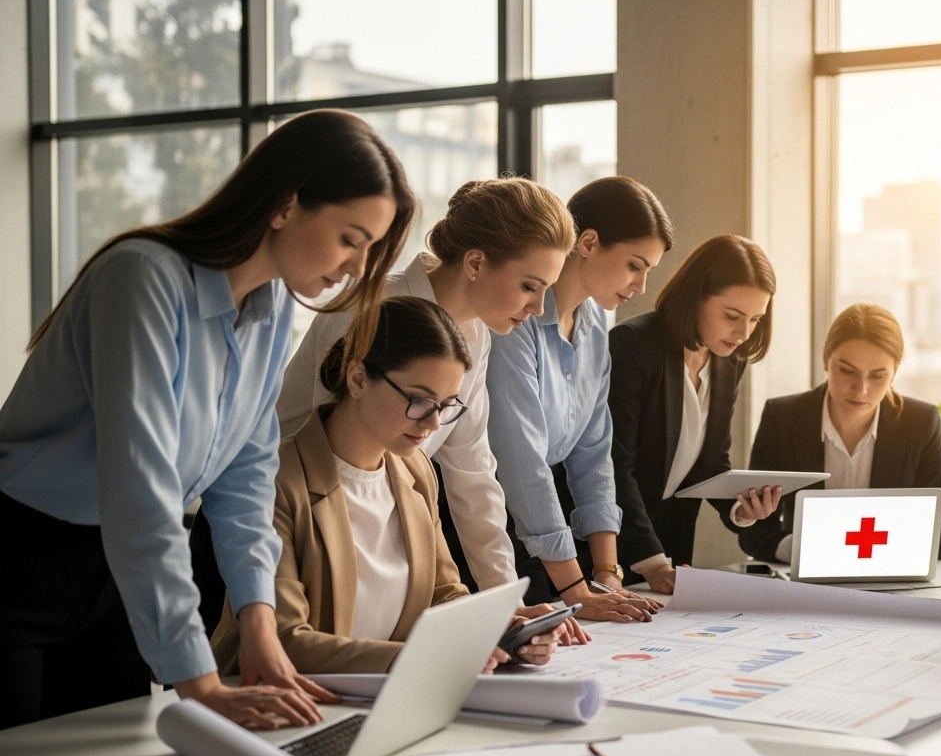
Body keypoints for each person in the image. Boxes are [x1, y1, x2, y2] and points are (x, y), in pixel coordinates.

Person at [0, 109, 415, 730]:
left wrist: (259, 623)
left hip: (121, 573)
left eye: (371, 249)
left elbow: (246, 475)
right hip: (22, 558)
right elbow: (141, 489)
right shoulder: (142, 276)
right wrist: (199, 684)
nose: (357, 267)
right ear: (284, 204)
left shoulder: (272, 306)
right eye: (351, 238)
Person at [273, 177, 585, 642]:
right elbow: (338, 458)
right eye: (529, 286)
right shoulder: (370, 309)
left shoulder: (476, 334)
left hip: (368, 536)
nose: (539, 308)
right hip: (283, 532)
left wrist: (507, 608)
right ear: (476, 262)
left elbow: (473, 473)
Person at [212, 297, 567, 675]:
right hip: (273, 702)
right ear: (358, 378)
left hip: (381, 697)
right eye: (419, 400)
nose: (432, 424)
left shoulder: (415, 472)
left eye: (447, 405)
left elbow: (443, 596)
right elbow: (283, 640)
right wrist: (422, 660)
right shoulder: (272, 480)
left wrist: (503, 633)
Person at [488, 176, 671, 614]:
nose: (641, 286)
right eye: (634, 265)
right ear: (588, 243)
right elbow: (522, 461)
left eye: (649, 272)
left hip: (538, 525)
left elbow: (593, 454)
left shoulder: (594, 330)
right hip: (484, 516)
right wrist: (577, 590)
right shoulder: (516, 317)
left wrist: (607, 571)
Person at [609, 235, 781, 594]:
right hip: (611, 548)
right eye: (732, 316)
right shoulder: (632, 345)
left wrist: (741, 509)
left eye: (755, 319)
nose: (744, 333)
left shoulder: (730, 360)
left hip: (671, 553)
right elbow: (614, 467)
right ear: (694, 297)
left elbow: (711, 460)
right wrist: (652, 561)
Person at [738, 303, 941, 563]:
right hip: (803, 583)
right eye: (847, 370)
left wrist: (854, 556)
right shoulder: (783, 417)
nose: (860, 389)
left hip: (889, 586)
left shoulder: (921, 422)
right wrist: (803, 552)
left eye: (877, 376)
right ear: (825, 358)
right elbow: (754, 531)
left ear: (895, 371)